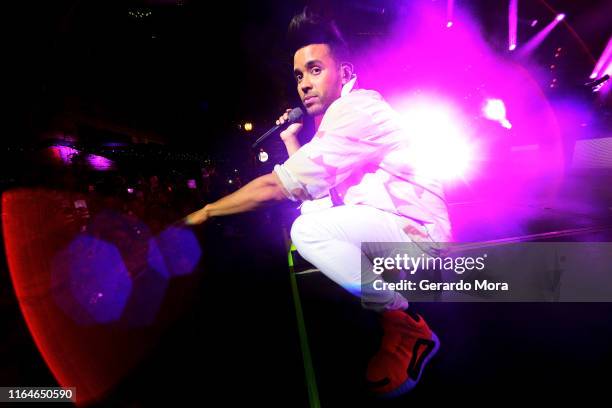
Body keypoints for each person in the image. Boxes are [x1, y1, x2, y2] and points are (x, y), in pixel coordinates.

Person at [186, 8, 452, 397]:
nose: (304, 85)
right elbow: (314, 191)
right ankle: (392, 318)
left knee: (307, 229)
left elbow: (281, 187)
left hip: (418, 236)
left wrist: (205, 212)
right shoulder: (338, 119)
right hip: (390, 227)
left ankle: (408, 326)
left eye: (314, 70)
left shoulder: (356, 109)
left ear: (344, 72)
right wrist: (292, 139)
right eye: (298, 76)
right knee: (312, 215)